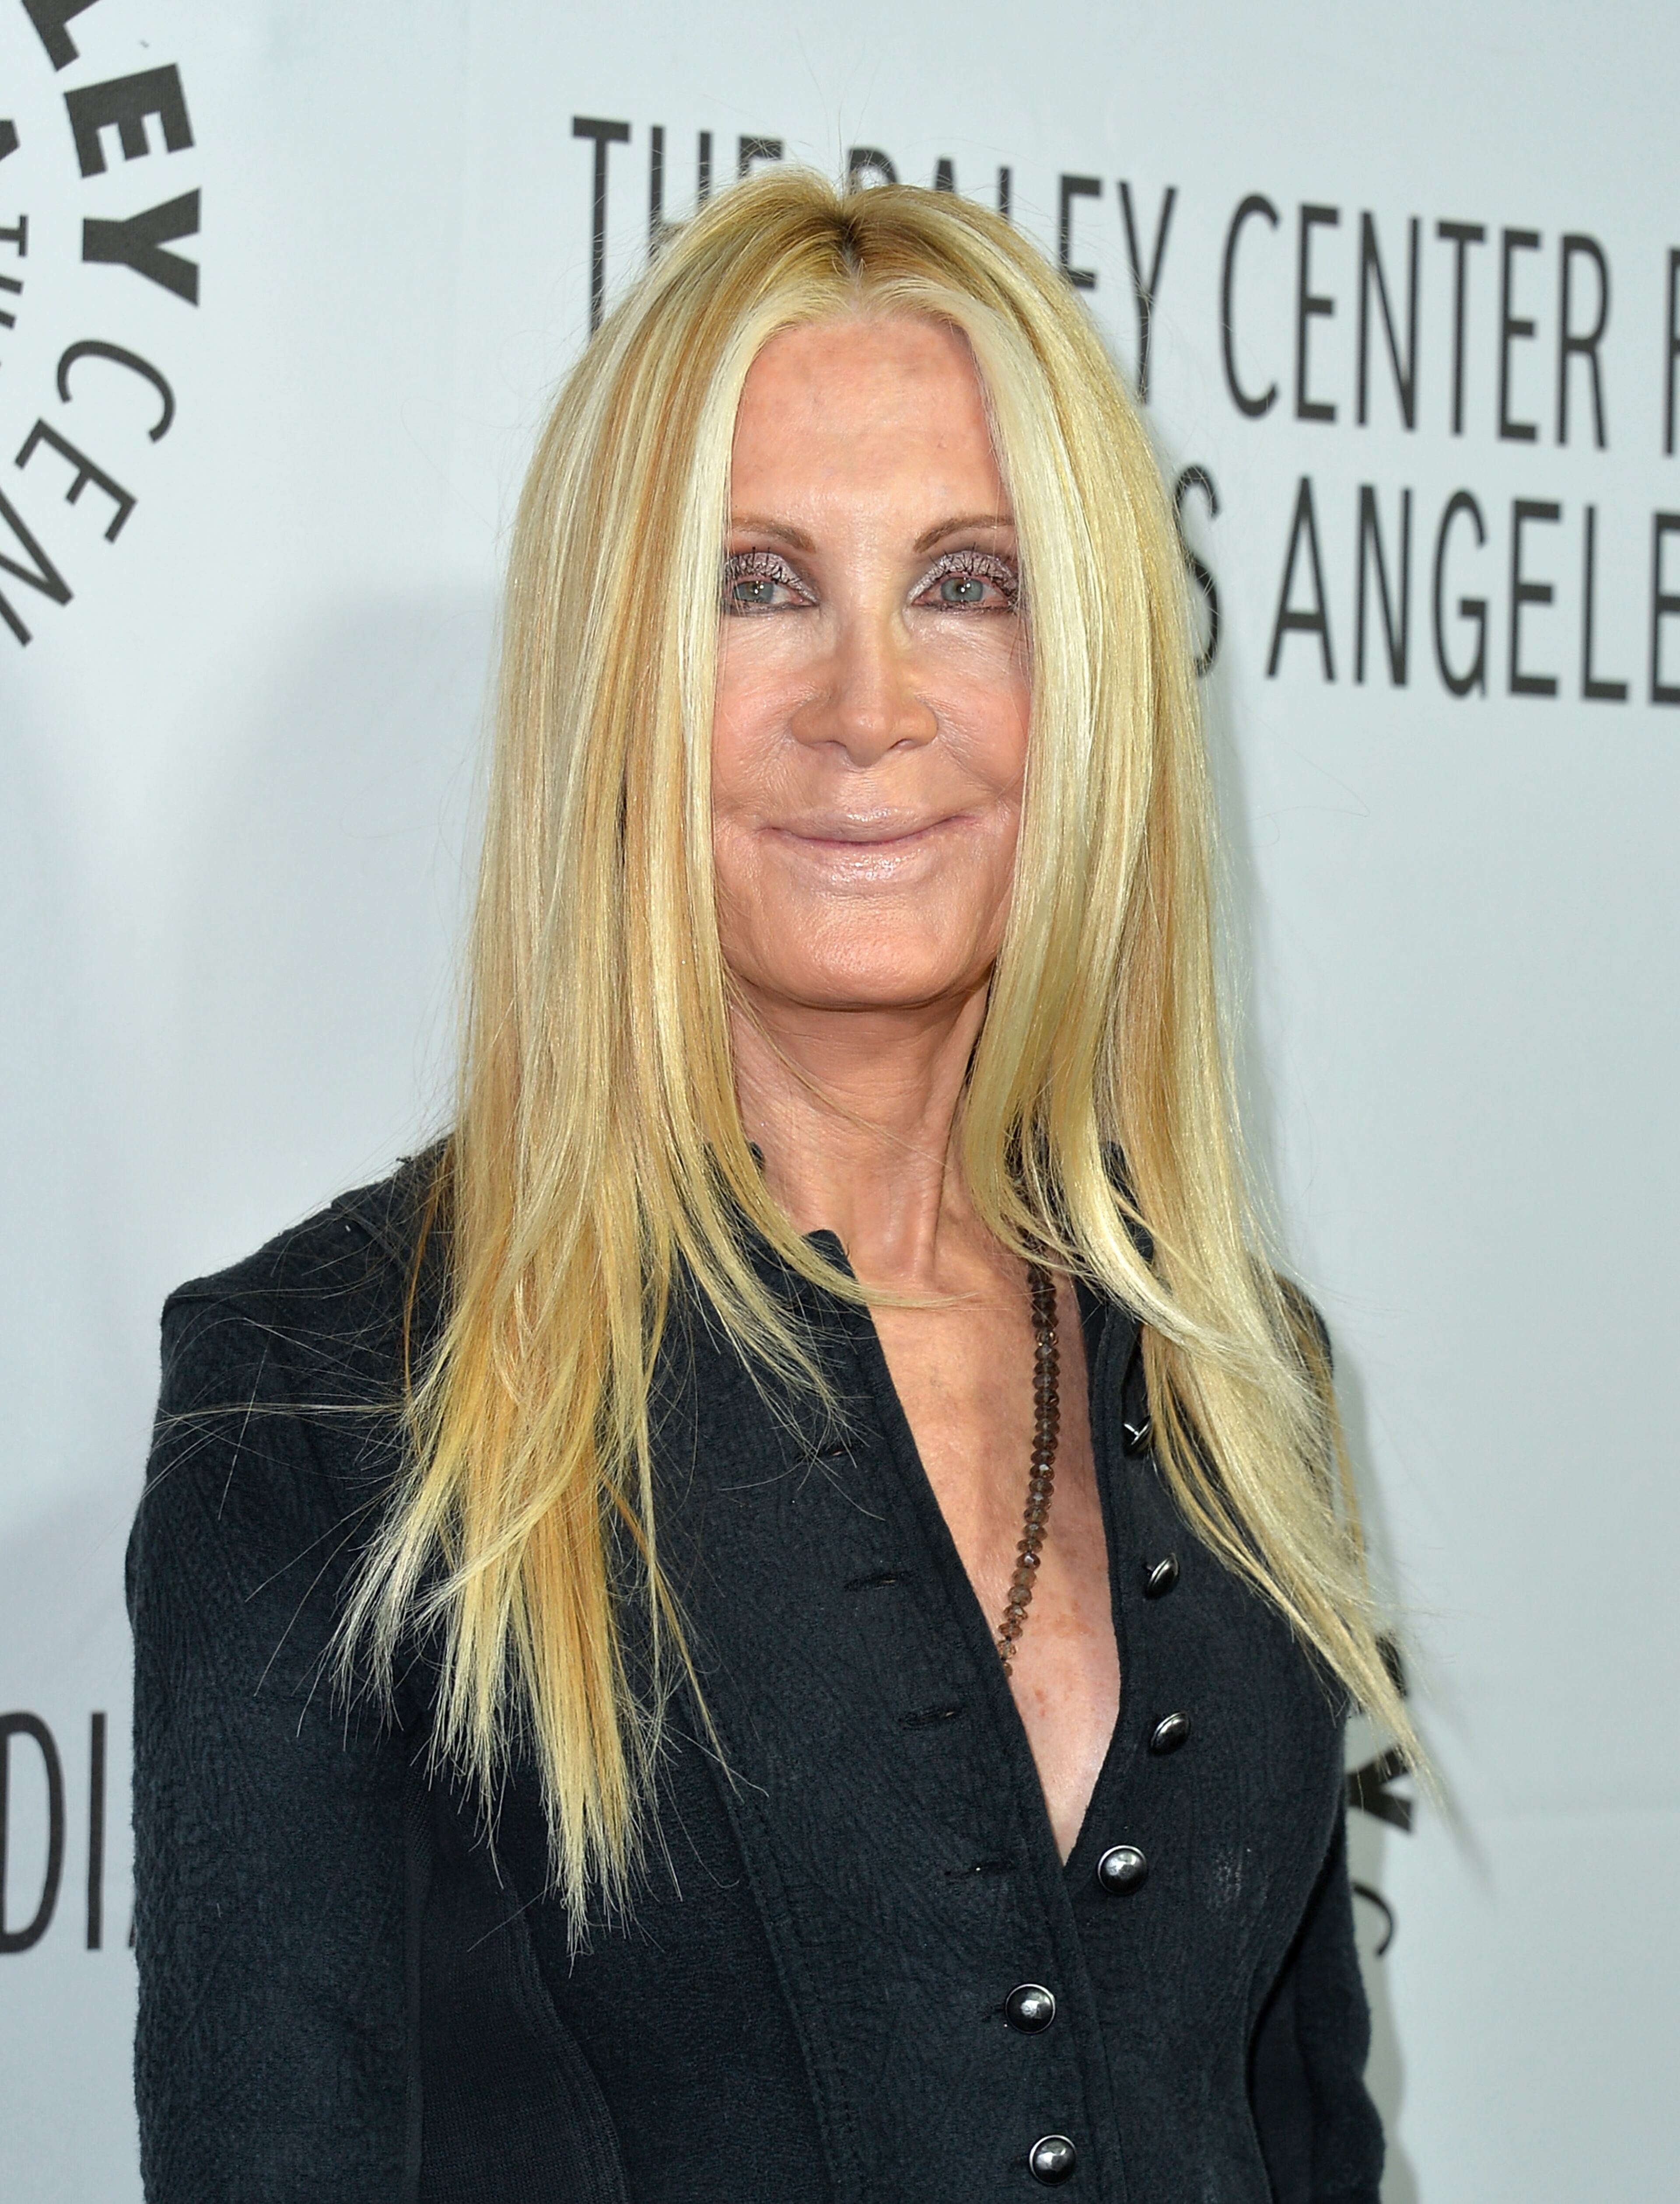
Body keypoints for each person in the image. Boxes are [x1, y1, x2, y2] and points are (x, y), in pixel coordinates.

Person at [129, 169, 1412, 2204]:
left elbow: (1303, 2141)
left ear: (1084, 675)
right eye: (760, 583)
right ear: (614, 679)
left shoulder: (1242, 1379)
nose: (869, 706)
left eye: (969, 583)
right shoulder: (336, 1395)